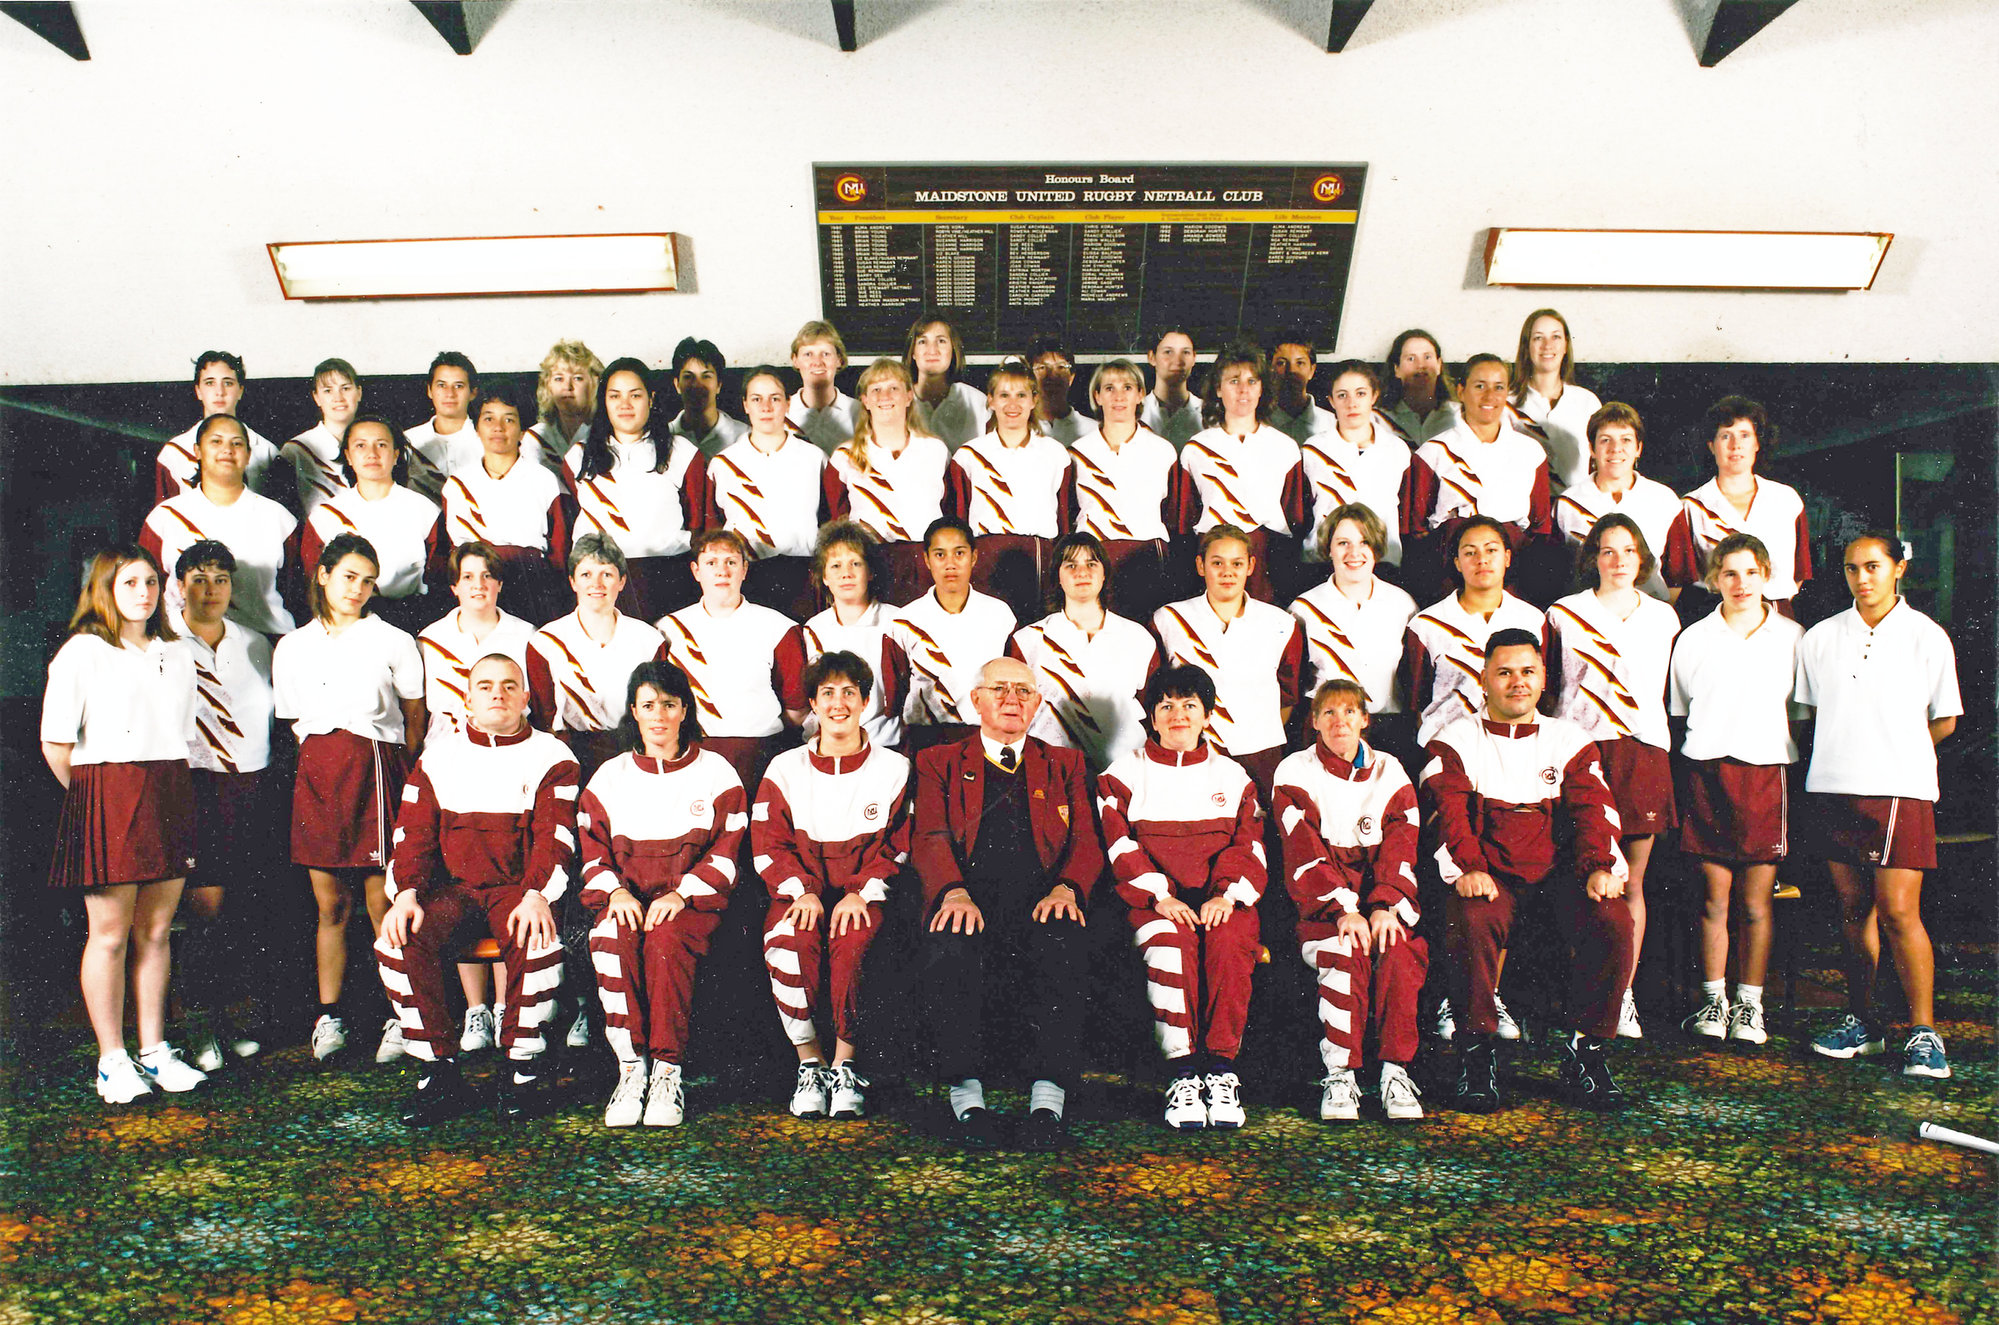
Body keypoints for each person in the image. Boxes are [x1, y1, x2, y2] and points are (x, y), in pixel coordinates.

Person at [1422, 628, 1632, 1113]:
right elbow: (1448, 815)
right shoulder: (1453, 741)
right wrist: (1471, 869)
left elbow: (1594, 810)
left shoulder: (1569, 739)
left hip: (1558, 878)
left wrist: (1599, 867)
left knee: (1614, 918)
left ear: (1542, 681)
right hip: (1490, 877)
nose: (1518, 682)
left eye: (1528, 672)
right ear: (1483, 681)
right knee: (1471, 916)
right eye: (1505, 673)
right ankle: (1476, 1052)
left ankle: (1587, 1049)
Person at [374, 654, 579, 1126]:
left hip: (518, 889)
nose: (497, 695)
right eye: (485, 686)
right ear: (467, 698)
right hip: (455, 890)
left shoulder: (553, 756)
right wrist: (405, 894)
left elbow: (556, 837)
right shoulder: (439, 756)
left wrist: (537, 895)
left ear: (526, 698)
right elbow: (412, 835)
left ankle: (521, 1070)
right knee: (396, 938)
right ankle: (439, 1072)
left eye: (510, 686)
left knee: (539, 938)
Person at [916, 657, 1105, 1150]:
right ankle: (967, 1096)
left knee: (1064, 944)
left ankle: (1048, 1099)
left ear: (1038, 704)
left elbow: (1086, 840)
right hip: (966, 897)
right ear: (975, 700)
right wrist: (953, 892)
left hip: (1043, 899)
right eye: (998, 688)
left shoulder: (1065, 764)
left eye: (1023, 691)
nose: (1011, 699)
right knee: (952, 947)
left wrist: (1067, 888)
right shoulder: (939, 761)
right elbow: (930, 835)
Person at [42, 546, 205, 1102]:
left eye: (152, 582)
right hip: (106, 793)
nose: (144, 592)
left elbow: (179, 731)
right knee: (109, 935)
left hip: (169, 786)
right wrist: (99, 803)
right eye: (130, 582)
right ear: (105, 588)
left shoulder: (177, 652)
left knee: (156, 931)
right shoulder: (82, 653)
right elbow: (56, 744)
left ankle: (155, 1051)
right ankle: (112, 1060)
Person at [1796, 532, 1961, 1079]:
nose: (1862, 578)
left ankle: (1923, 1033)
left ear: (1899, 569)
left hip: (1900, 790)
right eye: (1851, 569)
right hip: (1835, 787)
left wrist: (1899, 755)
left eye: (1873, 566)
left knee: (1897, 912)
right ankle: (1861, 1022)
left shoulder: (1926, 637)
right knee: (1851, 910)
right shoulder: (1820, 638)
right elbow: (1814, 712)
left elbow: (1945, 719)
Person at [272, 533, 425, 1066]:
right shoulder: (292, 646)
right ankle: (329, 1016)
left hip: (377, 770)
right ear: (323, 576)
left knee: (382, 905)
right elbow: (295, 723)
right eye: (348, 577)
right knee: (329, 905)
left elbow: (413, 718)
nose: (357, 589)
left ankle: (400, 1016)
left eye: (367, 580)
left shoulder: (393, 640)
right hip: (319, 776)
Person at [1098, 664, 1266, 1130]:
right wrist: (1160, 896)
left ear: (1207, 716)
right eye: (1166, 706)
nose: (1178, 715)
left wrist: (1226, 897)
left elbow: (1248, 845)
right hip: (1153, 902)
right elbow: (1118, 845)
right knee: (1170, 943)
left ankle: (1221, 1070)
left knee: (1231, 943)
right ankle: (1183, 1073)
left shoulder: (1233, 776)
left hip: (1221, 900)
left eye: (1189, 705)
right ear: (1151, 717)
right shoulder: (1123, 774)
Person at [580, 661, 747, 1127]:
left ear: (684, 710)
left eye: (669, 705)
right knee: (611, 940)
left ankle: (667, 1072)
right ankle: (631, 1070)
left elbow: (729, 847)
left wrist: (684, 893)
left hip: (688, 905)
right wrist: (614, 893)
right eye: (648, 705)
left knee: (666, 944)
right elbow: (591, 847)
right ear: (633, 711)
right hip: (627, 899)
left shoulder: (717, 773)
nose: (658, 716)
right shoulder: (610, 776)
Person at [755, 651, 912, 1121]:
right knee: (789, 941)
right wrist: (800, 890)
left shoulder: (893, 769)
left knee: (854, 941)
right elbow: (768, 844)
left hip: (860, 896)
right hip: (799, 896)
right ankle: (812, 1065)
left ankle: (845, 1065)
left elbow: (898, 847)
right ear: (813, 703)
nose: (838, 703)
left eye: (849, 693)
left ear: (866, 702)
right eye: (828, 693)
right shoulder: (784, 768)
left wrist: (860, 892)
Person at [1546, 515, 1681, 1039]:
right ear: (1593, 559)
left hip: (1642, 750)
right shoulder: (1564, 615)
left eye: (1628, 550)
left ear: (1642, 558)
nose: (1618, 560)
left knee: (1632, 882)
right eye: (1607, 551)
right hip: (1582, 749)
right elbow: (1555, 685)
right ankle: (1584, 991)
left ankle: (1620, 994)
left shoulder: (1665, 618)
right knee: (1582, 875)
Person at [1667, 533, 1804, 1049]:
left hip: (1767, 774)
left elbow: (1802, 712)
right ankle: (1713, 999)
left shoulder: (1793, 636)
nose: (1740, 583)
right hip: (1707, 772)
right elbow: (1680, 710)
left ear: (1765, 574)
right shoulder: (1694, 638)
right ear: (1713, 579)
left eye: (1750, 572)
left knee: (1755, 902)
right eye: (1729, 573)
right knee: (1712, 899)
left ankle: (1750, 1004)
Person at [1272, 679, 1426, 1123]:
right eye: (1328, 713)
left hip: (1379, 902)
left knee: (1398, 948)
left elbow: (1402, 840)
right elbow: (1302, 850)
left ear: (1365, 720)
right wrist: (1345, 909)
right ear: (1315, 722)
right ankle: (1341, 1074)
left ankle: (1395, 1071)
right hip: (1322, 909)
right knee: (1345, 952)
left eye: (1349, 712)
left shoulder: (1391, 770)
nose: (1340, 722)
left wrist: (1384, 905)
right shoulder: (1294, 772)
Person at [417, 540, 539, 1052]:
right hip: (453, 762)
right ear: (454, 586)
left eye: (488, 576)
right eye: (469, 577)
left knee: (503, 880)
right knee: (459, 878)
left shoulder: (525, 635)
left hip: (507, 758)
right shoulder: (430, 638)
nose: (479, 585)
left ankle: (510, 1006)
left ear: (500, 584)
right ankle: (475, 1012)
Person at [172, 541, 274, 1073]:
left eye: (220, 579)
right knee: (202, 912)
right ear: (180, 584)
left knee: (243, 909)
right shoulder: (164, 644)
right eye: (198, 578)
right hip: (194, 784)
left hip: (248, 785)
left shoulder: (254, 642)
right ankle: (198, 1026)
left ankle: (230, 1020)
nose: (210, 589)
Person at [1152, 526, 1306, 802]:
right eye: (1217, 563)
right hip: (1191, 748)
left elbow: (1288, 695)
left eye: (1237, 563)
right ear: (1201, 566)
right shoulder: (1170, 619)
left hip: (1259, 752)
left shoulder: (1281, 623)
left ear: (1251, 566)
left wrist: (1252, 731)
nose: (1227, 572)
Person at [566, 357, 711, 623]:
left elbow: (700, 523)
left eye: (635, 395)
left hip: (667, 578)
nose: (625, 404)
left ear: (651, 398)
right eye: (614, 396)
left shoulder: (682, 453)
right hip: (602, 582)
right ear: (604, 401)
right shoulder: (578, 457)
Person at [526, 533, 670, 788]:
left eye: (607, 574)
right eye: (586, 575)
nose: (597, 584)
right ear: (572, 582)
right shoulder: (546, 642)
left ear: (622, 581)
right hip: (571, 754)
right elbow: (543, 716)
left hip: (633, 752)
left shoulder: (648, 639)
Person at [1401, 354, 1553, 594]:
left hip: (1513, 573)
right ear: (1461, 391)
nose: (1489, 396)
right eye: (1480, 386)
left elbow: (1541, 527)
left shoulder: (1530, 451)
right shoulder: (1434, 452)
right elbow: (1417, 529)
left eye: (1498, 387)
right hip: (1449, 572)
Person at [1009, 532, 1160, 772]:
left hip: (1122, 771)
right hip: (1051, 770)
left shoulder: (1138, 638)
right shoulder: (1028, 641)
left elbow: (1155, 712)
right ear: (1057, 576)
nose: (1082, 572)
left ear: (1104, 574)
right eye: (1071, 565)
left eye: (1091, 563)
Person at [657, 530, 795, 792]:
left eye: (731, 562)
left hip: (759, 753)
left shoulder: (778, 627)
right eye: (711, 563)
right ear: (696, 571)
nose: (722, 571)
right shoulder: (669, 628)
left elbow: (796, 708)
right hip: (692, 751)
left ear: (744, 569)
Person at [140, 415, 299, 638]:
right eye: (216, 441)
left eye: (237, 443)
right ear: (197, 451)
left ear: (248, 455)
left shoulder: (280, 518)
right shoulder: (165, 517)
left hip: (264, 643)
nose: (227, 450)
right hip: (182, 644)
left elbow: (296, 593)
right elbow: (145, 589)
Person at [1175, 342, 1310, 603]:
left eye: (1252, 381)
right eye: (1233, 381)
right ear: (1218, 388)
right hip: (1214, 554)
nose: (1243, 390)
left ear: (1262, 388)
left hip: (1266, 554)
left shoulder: (1285, 447)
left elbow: (1295, 517)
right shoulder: (1197, 448)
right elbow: (1184, 519)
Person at [1401, 515, 1549, 749]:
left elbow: (1541, 690)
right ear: (1458, 562)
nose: (1482, 560)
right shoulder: (1426, 625)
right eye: (1470, 553)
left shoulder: (1532, 619)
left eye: (1491, 550)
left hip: (1516, 746)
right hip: (1447, 746)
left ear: (1507, 557)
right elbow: (1418, 701)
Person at [1288, 504, 1419, 763]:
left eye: (1364, 542)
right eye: (1343, 543)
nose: (1354, 553)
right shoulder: (1304, 608)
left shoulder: (1402, 604)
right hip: (1328, 729)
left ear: (1377, 549)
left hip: (1387, 728)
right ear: (1329, 549)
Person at [822, 357, 957, 607]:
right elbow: (835, 516)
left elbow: (950, 509)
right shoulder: (845, 455)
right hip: (871, 561)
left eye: (893, 388)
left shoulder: (935, 450)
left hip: (923, 563)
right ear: (865, 400)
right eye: (876, 389)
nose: (885, 395)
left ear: (908, 396)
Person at [1663, 396, 1812, 617]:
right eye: (1725, 436)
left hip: (1777, 617)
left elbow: (1799, 573)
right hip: (1715, 617)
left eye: (1745, 435)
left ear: (1757, 443)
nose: (1735, 445)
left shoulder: (1786, 499)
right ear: (1711, 446)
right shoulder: (1691, 507)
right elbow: (1678, 579)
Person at [300, 415, 448, 636]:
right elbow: (312, 585)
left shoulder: (424, 510)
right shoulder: (325, 516)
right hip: (340, 626)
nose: (372, 453)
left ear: (396, 454)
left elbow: (440, 582)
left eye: (381, 444)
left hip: (408, 622)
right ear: (348, 456)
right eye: (361, 445)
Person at [953, 358, 1074, 622]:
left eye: (1021, 395)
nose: (1012, 404)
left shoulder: (1055, 453)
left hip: (1039, 557)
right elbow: (959, 521)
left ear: (1033, 399)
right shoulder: (969, 455)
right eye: (1004, 395)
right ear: (991, 400)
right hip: (987, 556)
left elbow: (1064, 520)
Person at [441, 385, 571, 624]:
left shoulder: (544, 480)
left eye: (509, 419)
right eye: (488, 418)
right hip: (478, 586)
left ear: (523, 431)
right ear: (477, 428)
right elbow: (452, 552)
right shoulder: (457, 484)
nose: (498, 428)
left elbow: (560, 550)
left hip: (533, 585)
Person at [707, 364, 828, 620]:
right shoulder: (724, 464)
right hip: (747, 578)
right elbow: (713, 526)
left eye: (775, 398)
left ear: (788, 403)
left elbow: (829, 519)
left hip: (803, 575)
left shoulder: (814, 458)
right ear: (745, 405)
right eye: (756, 399)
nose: (766, 407)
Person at [1066, 359, 1179, 621]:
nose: (1118, 396)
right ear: (1097, 396)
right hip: (1093, 556)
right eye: (1109, 388)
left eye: (1127, 387)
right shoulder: (1077, 452)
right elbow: (1068, 511)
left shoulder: (1163, 451)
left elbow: (1174, 513)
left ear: (1140, 394)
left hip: (1147, 555)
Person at [892, 518, 1017, 753]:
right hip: (926, 736)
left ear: (974, 557)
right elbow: (896, 688)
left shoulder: (1000, 614)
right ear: (927, 560)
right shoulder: (904, 620)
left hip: (985, 734)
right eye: (940, 555)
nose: (950, 564)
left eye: (959, 553)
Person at [1552, 403, 1680, 601]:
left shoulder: (1664, 500)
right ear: (1592, 449)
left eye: (1626, 440)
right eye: (1605, 440)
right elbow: (1559, 573)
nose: (1615, 449)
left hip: (1650, 609)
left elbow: (1677, 577)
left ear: (1639, 448)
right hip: (1589, 616)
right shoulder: (1568, 503)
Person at [1300, 362, 1413, 576]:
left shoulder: (1397, 449)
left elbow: (1406, 514)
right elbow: (1301, 512)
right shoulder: (1313, 449)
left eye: (1360, 393)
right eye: (1342, 395)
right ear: (1331, 401)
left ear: (1374, 396)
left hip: (1383, 561)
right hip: (1323, 561)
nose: (1352, 403)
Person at [154, 351, 279, 504]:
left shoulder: (267, 452)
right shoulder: (173, 453)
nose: (219, 392)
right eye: (209, 383)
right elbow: (165, 516)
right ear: (198, 391)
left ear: (240, 390)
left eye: (228, 383)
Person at [1510, 309, 1601, 494]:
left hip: (1576, 509)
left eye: (1556, 337)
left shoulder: (1587, 402)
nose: (1547, 345)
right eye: (1538, 338)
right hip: (1526, 510)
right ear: (1526, 347)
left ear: (1566, 345)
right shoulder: (1506, 403)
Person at [282, 358, 364, 517]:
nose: (338, 397)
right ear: (316, 397)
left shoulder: (376, 444)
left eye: (346, 388)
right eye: (328, 390)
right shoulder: (296, 450)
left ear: (359, 393)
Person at [402, 351, 481, 502]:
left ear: (473, 392)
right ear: (430, 390)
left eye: (458, 386)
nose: (449, 394)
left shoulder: (487, 441)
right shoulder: (408, 441)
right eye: (441, 385)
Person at [905, 314, 990, 447]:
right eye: (922, 341)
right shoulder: (895, 400)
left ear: (953, 349)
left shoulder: (976, 401)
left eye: (941, 341)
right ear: (913, 353)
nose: (932, 350)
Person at [526, 339, 602, 473]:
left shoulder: (604, 434)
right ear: (548, 385)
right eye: (559, 379)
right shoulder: (536, 437)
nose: (567, 387)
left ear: (593, 384)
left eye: (577, 378)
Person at [786, 320, 861, 454]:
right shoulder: (783, 411)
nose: (817, 362)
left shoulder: (858, 411)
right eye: (808, 354)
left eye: (825, 354)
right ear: (795, 360)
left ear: (839, 359)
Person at [667, 335, 749, 457]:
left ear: (719, 385)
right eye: (688, 376)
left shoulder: (744, 436)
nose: (697, 385)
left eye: (706, 376)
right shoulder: (664, 436)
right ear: (677, 384)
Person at [1380, 329, 1456, 444]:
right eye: (1411, 358)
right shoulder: (1379, 418)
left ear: (1439, 365)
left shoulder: (1459, 415)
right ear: (1397, 369)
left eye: (1427, 357)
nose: (1421, 365)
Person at [1140, 326, 1203, 446]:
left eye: (1185, 352)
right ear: (1152, 357)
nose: (1178, 361)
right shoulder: (1135, 411)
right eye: (1168, 352)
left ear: (1194, 358)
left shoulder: (1208, 412)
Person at [1267, 334, 1333, 444]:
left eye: (1300, 363)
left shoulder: (1332, 424)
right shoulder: (1258, 423)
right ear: (1270, 369)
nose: (1291, 371)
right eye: (1281, 363)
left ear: (1312, 370)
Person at [1026, 336, 1091, 444]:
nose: (1052, 375)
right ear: (1029, 378)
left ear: (1071, 378)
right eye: (1042, 368)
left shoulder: (1092, 431)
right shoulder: (1018, 430)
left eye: (1061, 367)